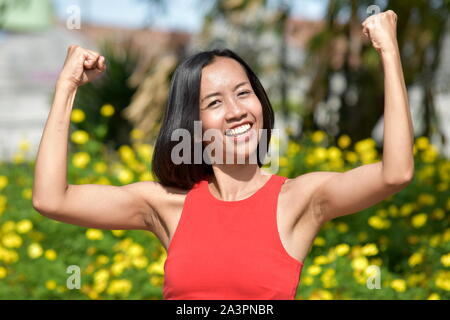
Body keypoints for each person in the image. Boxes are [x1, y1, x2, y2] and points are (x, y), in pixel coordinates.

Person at [32, 10, 414, 300]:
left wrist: (388, 50)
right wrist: (67, 86)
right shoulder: (166, 205)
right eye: (214, 101)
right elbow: (51, 199)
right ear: (191, 121)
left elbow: (394, 173)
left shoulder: (299, 199)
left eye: (243, 93)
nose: (236, 110)